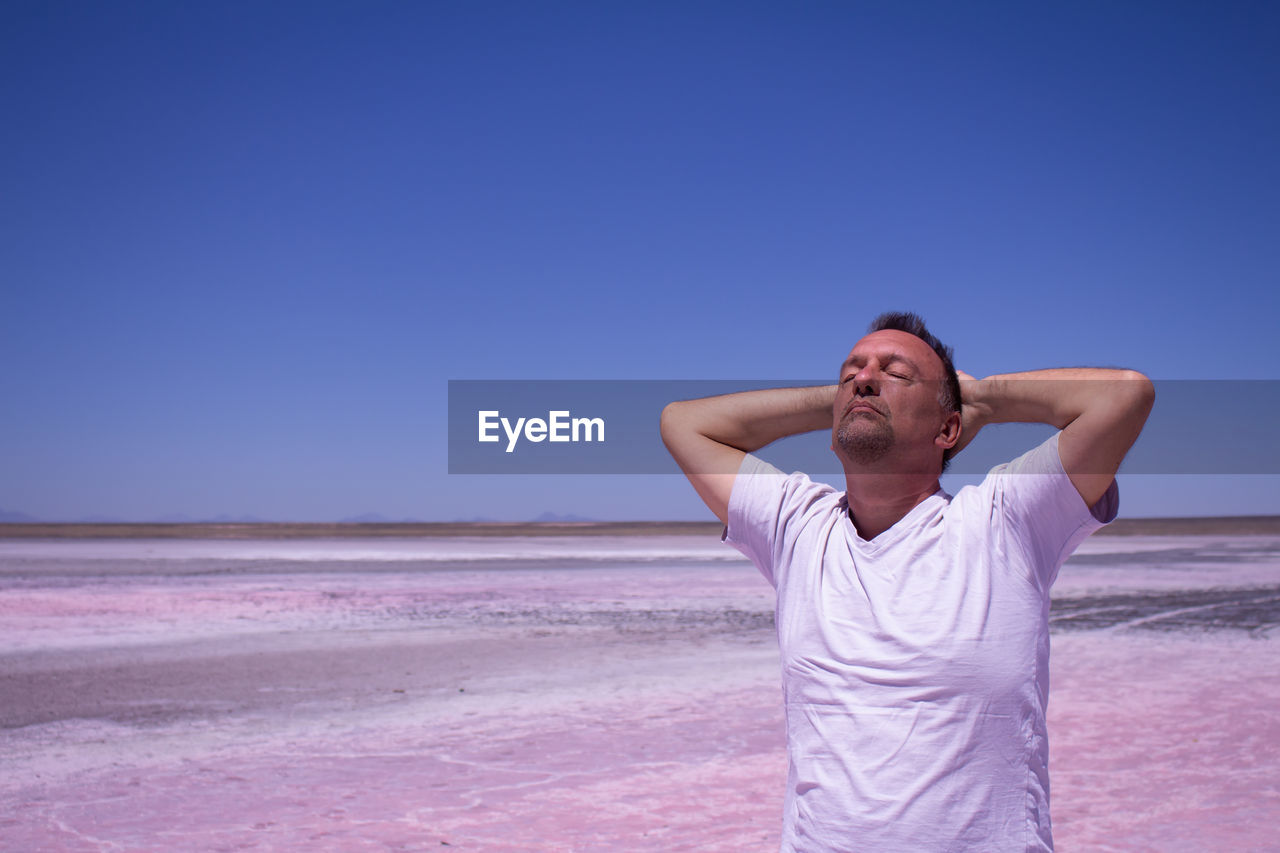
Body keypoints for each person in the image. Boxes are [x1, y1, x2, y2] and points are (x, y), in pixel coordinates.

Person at [659, 312, 1154, 852]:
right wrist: (853, 398)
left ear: (947, 429)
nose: (865, 378)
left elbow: (1123, 396)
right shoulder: (798, 528)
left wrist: (982, 398)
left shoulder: (1004, 521)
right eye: (852, 372)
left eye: (896, 373)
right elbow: (683, 423)